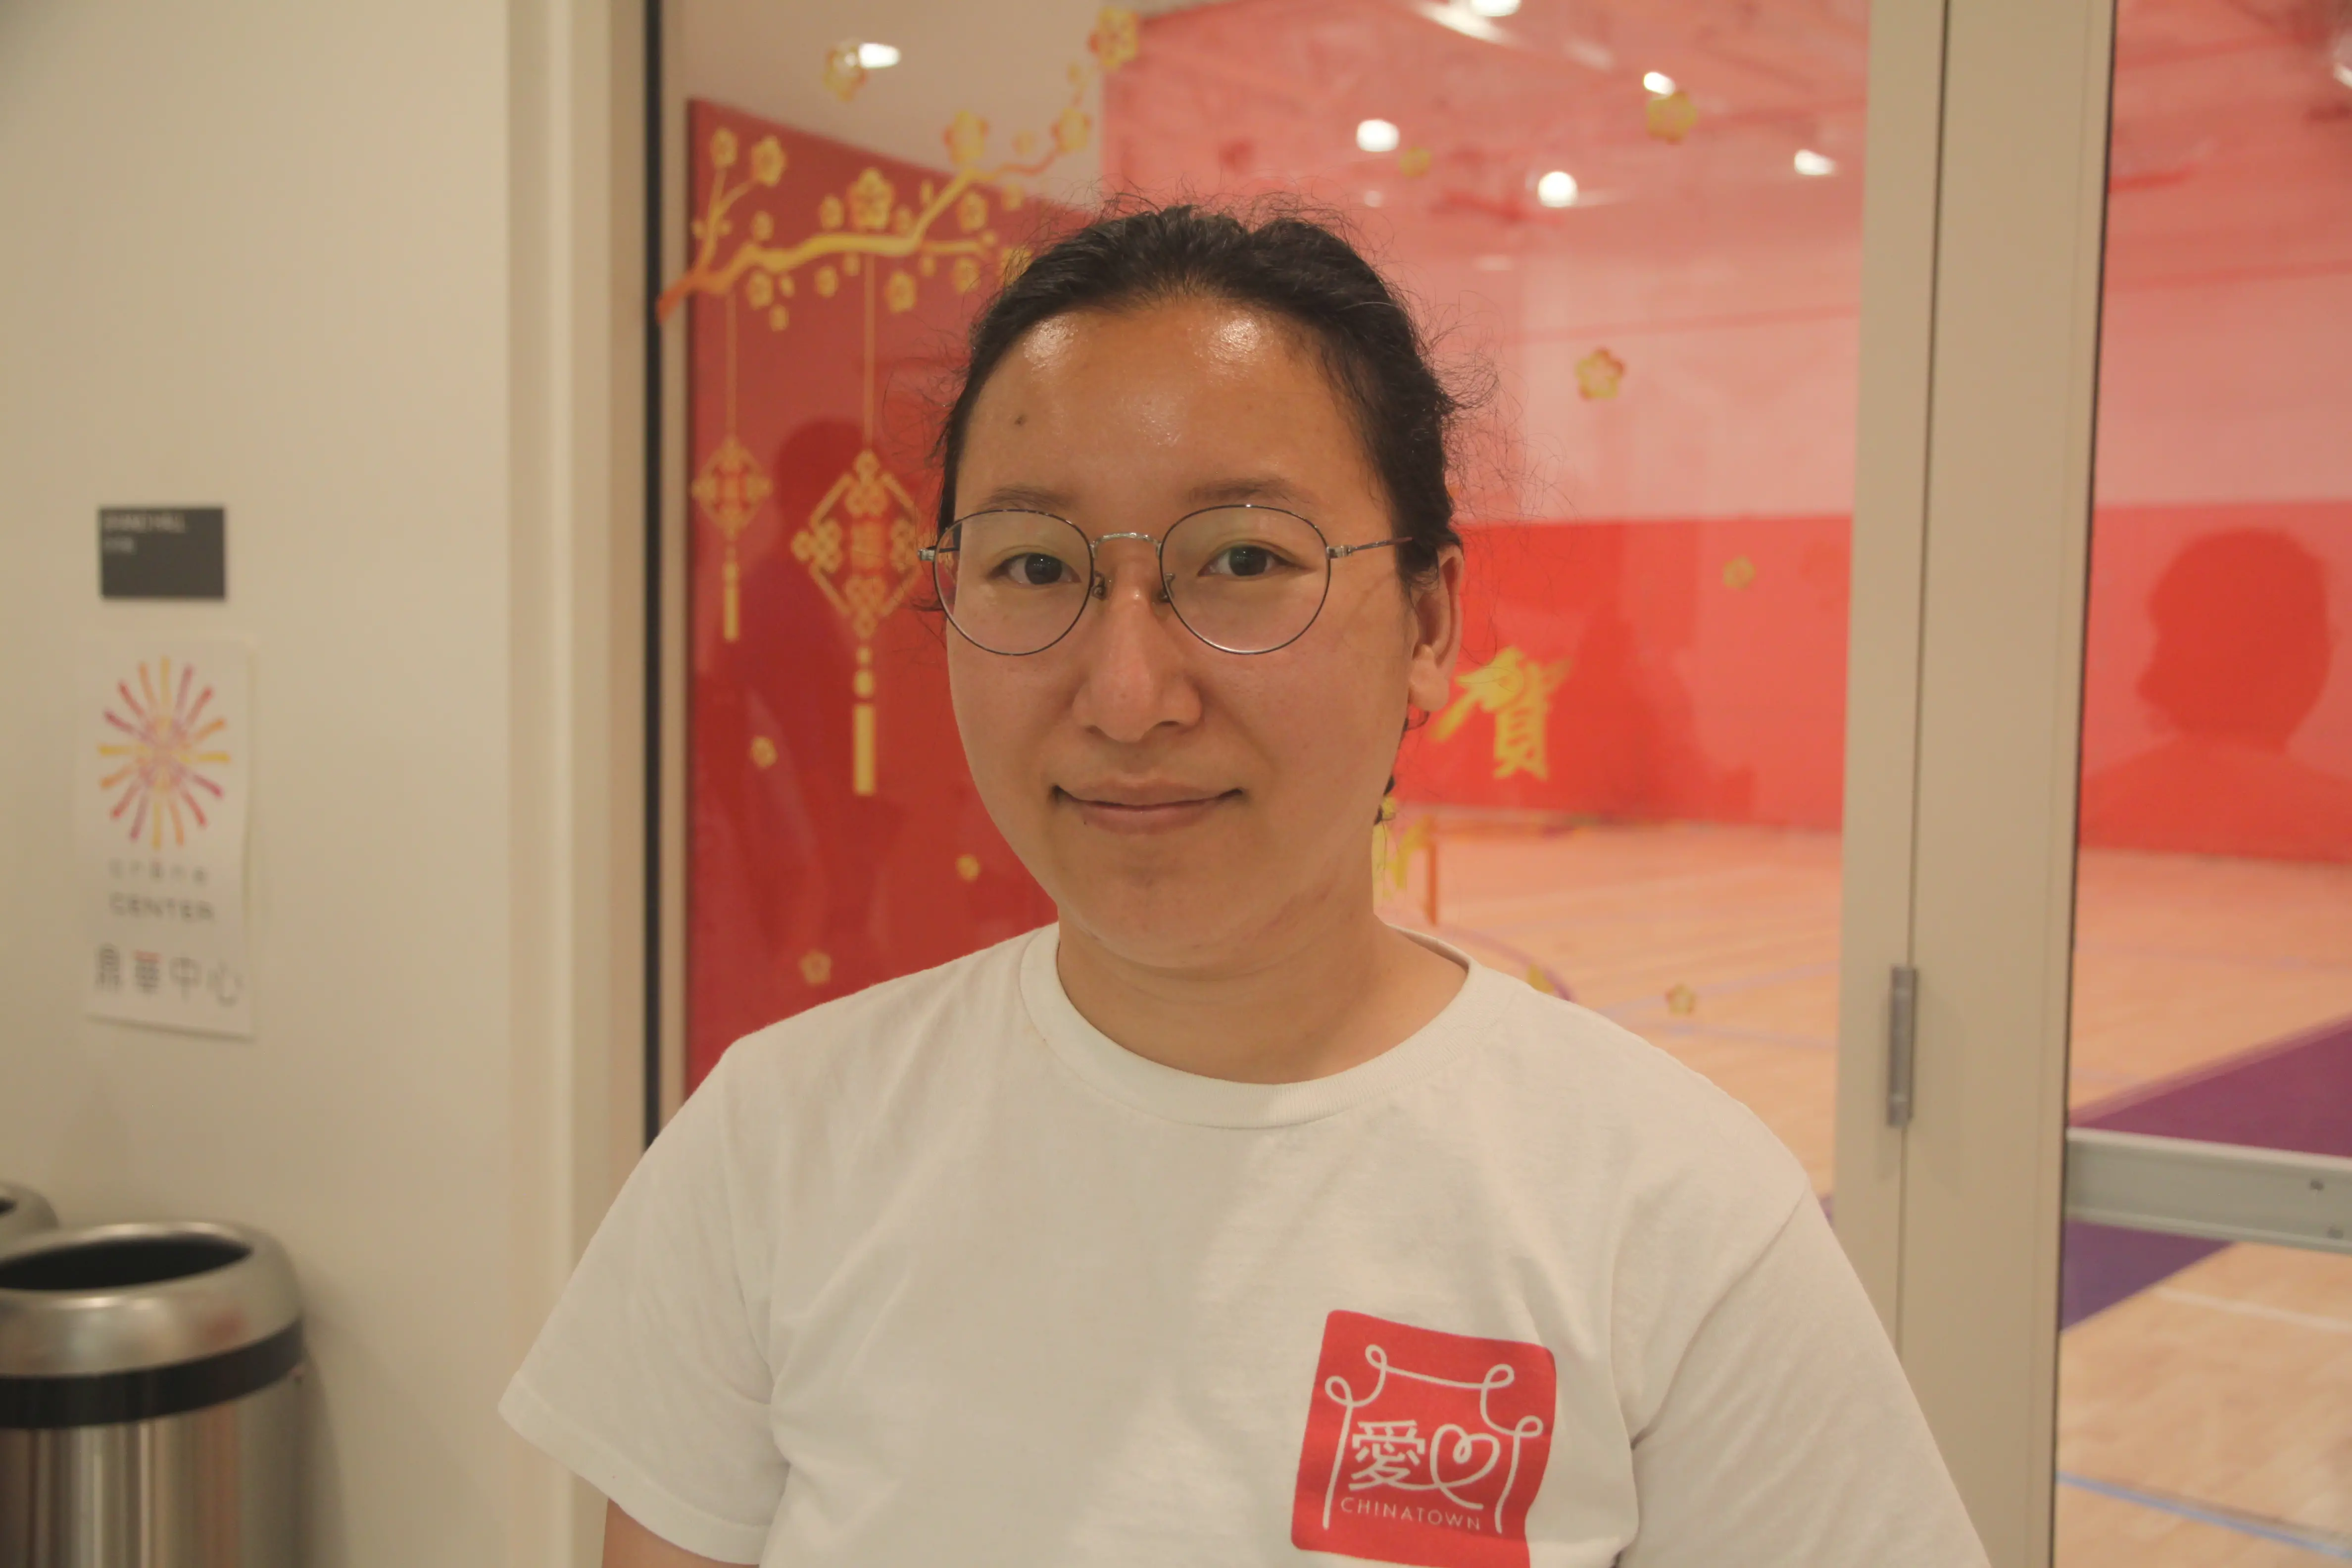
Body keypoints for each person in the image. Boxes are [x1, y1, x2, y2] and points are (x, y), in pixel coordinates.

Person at [502, 202, 1988, 1568]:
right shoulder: (775, 1146)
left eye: (1242, 560)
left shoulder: (1669, 1213)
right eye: (1032, 569)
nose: (1130, 691)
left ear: (1426, 620)